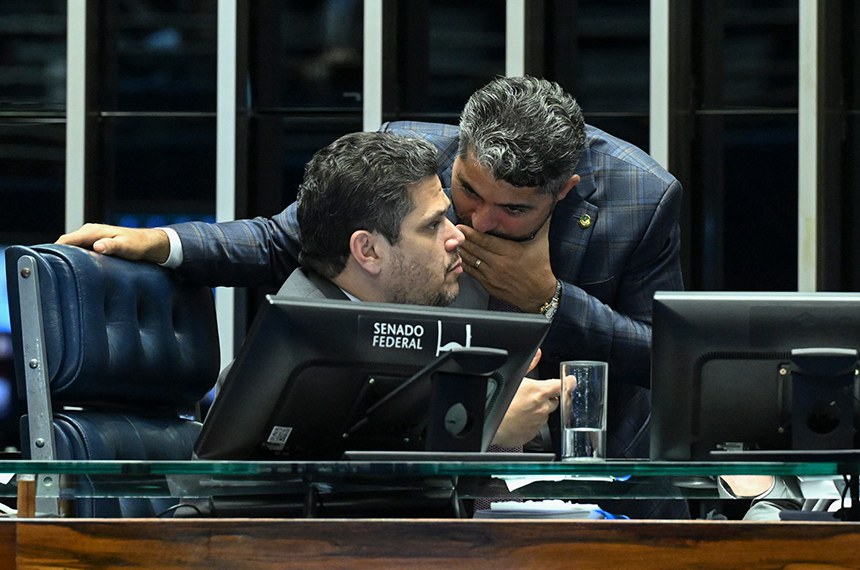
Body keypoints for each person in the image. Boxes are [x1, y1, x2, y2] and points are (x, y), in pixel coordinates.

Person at [58, 76, 686, 517]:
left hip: (602, 485)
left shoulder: (638, 199)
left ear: (566, 190)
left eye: (513, 210)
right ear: (460, 152)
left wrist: (551, 300)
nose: (476, 224)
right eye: (466, 193)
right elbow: (287, 238)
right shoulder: (414, 158)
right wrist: (165, 242)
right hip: (438, 490)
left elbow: (670, 358)